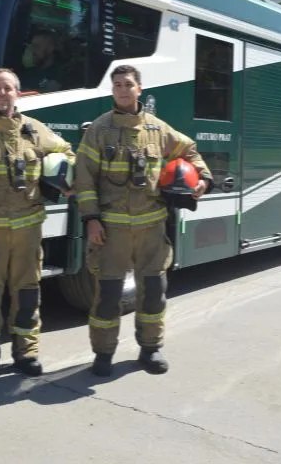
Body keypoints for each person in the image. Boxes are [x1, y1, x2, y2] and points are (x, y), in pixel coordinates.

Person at [73, 64, 213, 377]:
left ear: (140, 89)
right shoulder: (99, 129)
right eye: (117, 85)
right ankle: (103, 354)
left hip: (151, 229)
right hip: (111, 232)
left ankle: (150, 349)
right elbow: (84, 179)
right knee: (108, 297)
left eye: (128, 84)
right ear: (113, 91)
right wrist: (91, 219)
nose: (123, 89)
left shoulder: (158, 129)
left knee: (154, 292)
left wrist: (203, 179)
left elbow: (189, 150)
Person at [0, 68, 76, 381]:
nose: (3, 93)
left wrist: (64, 176)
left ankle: (27, 352)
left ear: (18, 93)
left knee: (27, 293)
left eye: (8, 88)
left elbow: (66, 152)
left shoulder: (35, 130)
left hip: (28, 230)